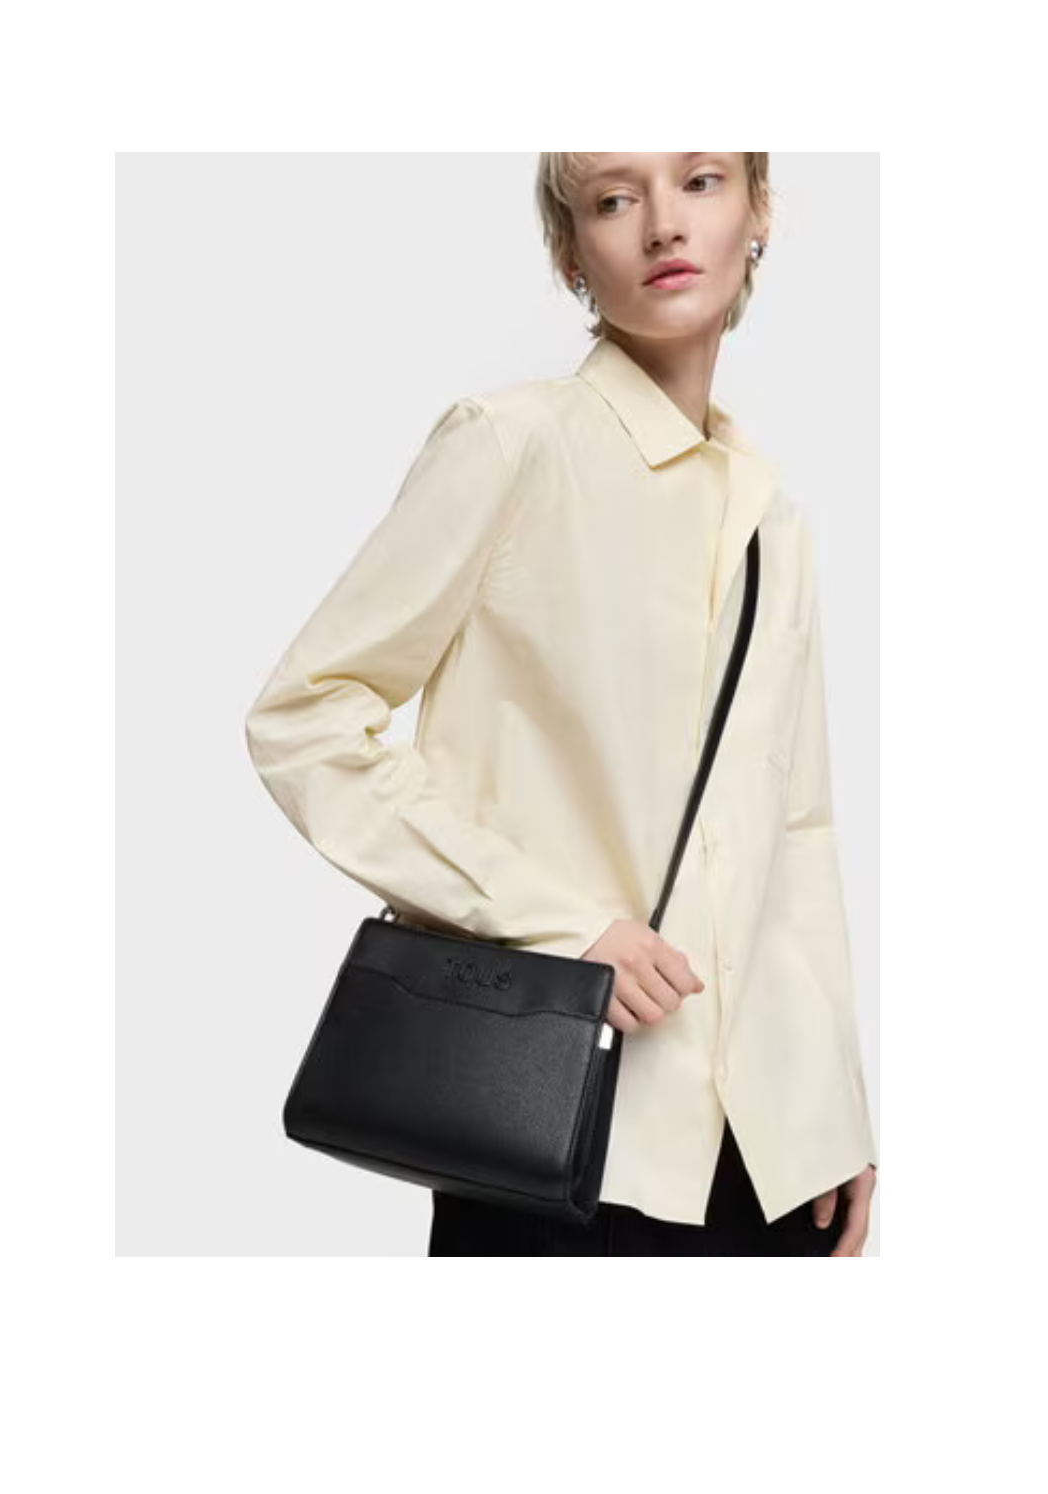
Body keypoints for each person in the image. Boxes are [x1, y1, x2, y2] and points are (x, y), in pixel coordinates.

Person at [245, 152, 878, 1257]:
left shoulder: (771, 519)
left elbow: (795, 837)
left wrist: (832, 1111)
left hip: (769, 1157)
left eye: (701, 181)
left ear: (759, 213)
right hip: (554, 1129)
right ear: (568, 252)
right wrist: (556, 922)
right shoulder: (512, 444)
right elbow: (304, 718)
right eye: (613, 200)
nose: (663, 226)